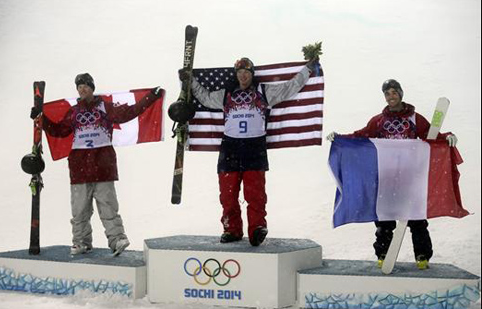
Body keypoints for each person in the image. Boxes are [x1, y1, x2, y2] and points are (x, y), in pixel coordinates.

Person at [181, 57, 318, 246]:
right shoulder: (226, 94)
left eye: (246, 73)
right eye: (240, 73)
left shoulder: (263, 92)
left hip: (255, 147)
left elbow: (289, 88)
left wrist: (308, 69)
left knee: (255, 194)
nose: (243, 76)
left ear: (252, 74)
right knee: (228, 195)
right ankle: (231, 229)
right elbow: (204, 97)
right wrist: (190, 81)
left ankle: (257, 228)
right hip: (230, 147)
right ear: (236, 75)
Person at [326, 78, 458, 269]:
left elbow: (432, 133)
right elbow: (362, 135)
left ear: (401, 94)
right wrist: (340, 139)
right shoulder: (379, 121)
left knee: (416, 217)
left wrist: (447, 137)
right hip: (387, 178)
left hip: (410, 177)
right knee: (384, 218)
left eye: (394, 92)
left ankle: (422, 255)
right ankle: (383, 254)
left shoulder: (414, 118)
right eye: (387, 93)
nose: (391, 96)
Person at [30, 73, 162, 256]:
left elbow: (129, 112)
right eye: (79, 86)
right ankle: (81, 242)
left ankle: (117, 240)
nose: (82, 89)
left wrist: (151, 97)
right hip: (79, 167)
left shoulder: (105, 107)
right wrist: (42, 119)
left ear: (92, 87)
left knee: (108, 206)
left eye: (85, 85)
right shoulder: (74, 111)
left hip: (102, 165)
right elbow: (59, 131)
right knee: (79, 209)